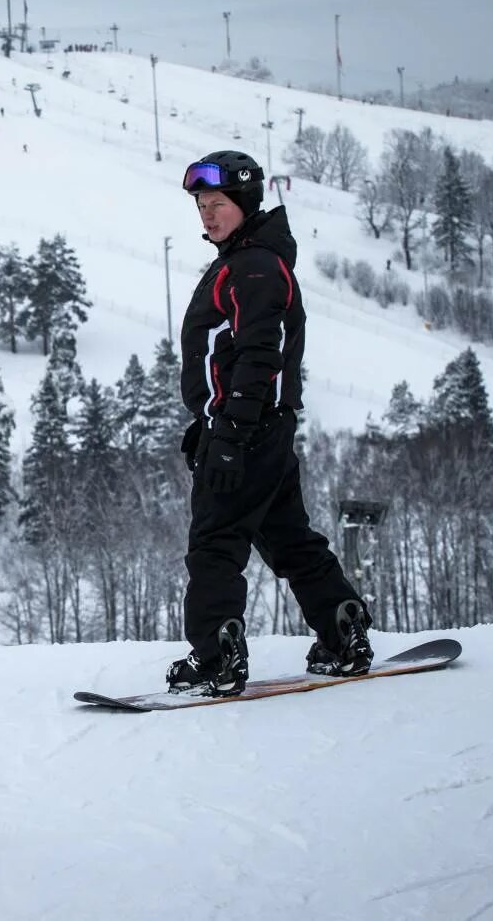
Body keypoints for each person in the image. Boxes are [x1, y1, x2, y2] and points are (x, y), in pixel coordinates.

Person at [169, 150, 373, 698]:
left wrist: (229, 433)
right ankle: (342, 631)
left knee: (215, 543)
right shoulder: (248, 259)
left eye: (218, 205)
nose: (207, 216)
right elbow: (234, 355)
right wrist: (210, 418)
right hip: (260, 427)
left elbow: (262, 354)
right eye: (202, 206)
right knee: (286, 536)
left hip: (247, 430)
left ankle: (217, 659)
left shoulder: (254, 266)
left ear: (245, 203)